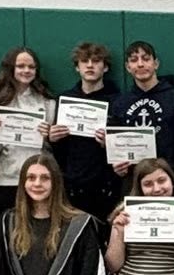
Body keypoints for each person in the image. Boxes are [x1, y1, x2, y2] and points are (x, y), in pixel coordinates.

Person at [45, 41, 120, 223]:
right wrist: (53, 138)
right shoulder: (64, 99)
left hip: (106, 186)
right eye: (84, 61)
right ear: (77, 67)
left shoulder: (119, 101)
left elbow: (125, 149)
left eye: (96, 61)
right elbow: (59, 152)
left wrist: (111, 144)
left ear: (105, 67)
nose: (90, 65)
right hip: (72, 185)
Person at [0, 46, 52, 218]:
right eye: (21, 66)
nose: (26, 70)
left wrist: (48, 137)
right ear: (10, 68)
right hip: (7, 178)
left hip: (40, 178)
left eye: (31, 67)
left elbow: (53, 147)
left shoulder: (47, 102)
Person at [108, 40, 174, 173]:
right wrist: (118, 166)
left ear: (156, 63)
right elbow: (116, 148)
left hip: (167, 177)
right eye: (134, 60)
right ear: (128, 67)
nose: (140, 64)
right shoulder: (120, 103)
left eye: (146, 59)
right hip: (133, 177)